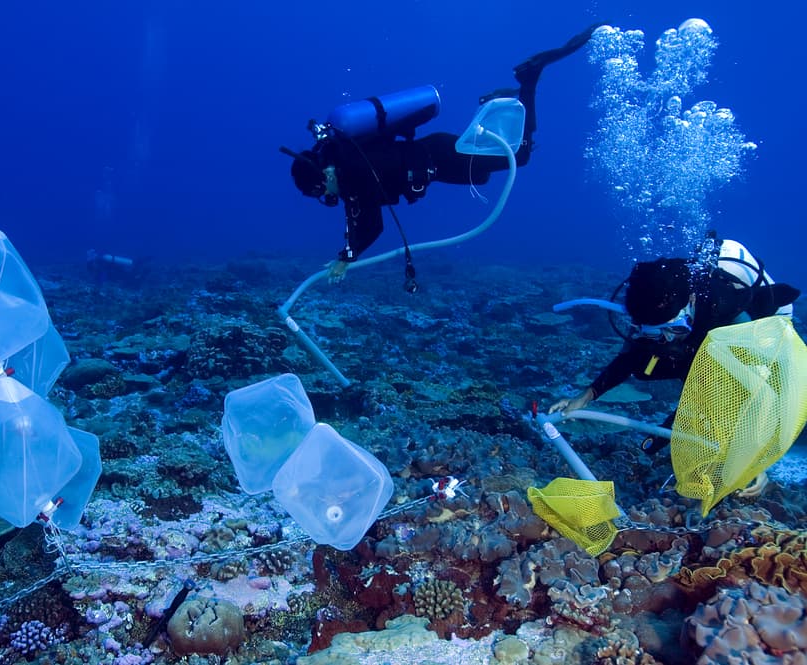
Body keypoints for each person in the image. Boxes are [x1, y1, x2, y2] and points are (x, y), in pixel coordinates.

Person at [285, 23, 604, 283]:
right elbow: (357, 216)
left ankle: (528, 82)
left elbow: (372, 225)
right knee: (482, 173)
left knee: (519, 156)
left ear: (325, 173)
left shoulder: (351, 170)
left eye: (320, 190)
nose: (326, 195)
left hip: (439, 157)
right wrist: (348, 250)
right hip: (436, 160)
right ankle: (500, 102)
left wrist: (345, 259)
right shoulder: (345, 159)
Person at [548, 236, 800, 452]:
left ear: (689, 302)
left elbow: (757, 387)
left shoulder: (725, 307)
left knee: (717, 381)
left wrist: (752, 457)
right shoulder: (649, 303)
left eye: (671, 329)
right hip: (700, 328)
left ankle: (688, 424)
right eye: (651, 332)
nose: (663, 339)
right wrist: (586, 396)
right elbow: (630, 357)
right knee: (646, 362)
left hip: (759, 323)